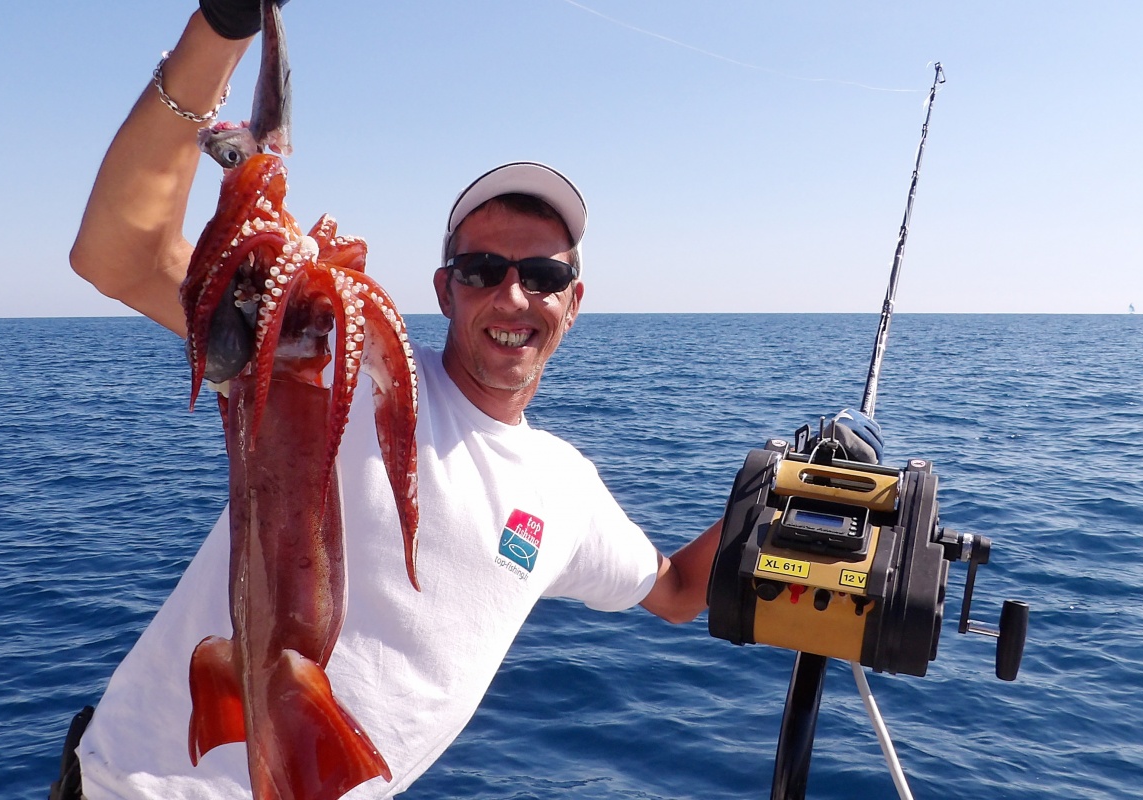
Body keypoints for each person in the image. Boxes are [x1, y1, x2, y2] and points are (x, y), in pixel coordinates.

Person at [54, 5, 729, 799]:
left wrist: (775, 491)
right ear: (445, 290)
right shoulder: (318, 358)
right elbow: (116, 253)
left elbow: (680, 591)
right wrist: (225, 27)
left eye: (542, 276)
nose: (513, 296)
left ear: (572, 301)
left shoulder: (566, 491)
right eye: (482, 270)